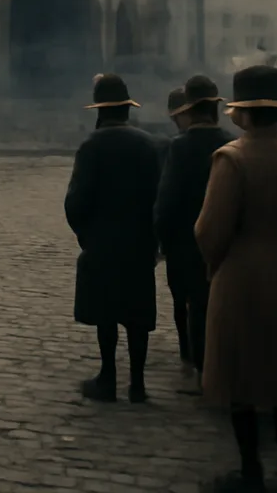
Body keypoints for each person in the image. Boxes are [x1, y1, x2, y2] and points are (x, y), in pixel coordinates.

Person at [195, 65, 277, 491]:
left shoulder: (231, 158)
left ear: (243, 112)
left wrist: (215, 264)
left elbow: (210, 229)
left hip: (241, 276)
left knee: (240, 378)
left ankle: (250, 470)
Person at [65, 73, 160, 404]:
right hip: (140, 243)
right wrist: (154, 239)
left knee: (106, 313)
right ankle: (138, 383)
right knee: (137, 315)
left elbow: (75, 202)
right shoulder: (148, 144)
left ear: (100, 111)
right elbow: (159, 197)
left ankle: (108, 377)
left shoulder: (92, 146)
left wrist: (86, 235)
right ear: (127, 109)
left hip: (103, 243)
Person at [154, 75, 227, 383]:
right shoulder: (229, 142)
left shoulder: (180, 147)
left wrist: (161, 239)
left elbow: (167, 199)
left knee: (188, 303)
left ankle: (196, 362)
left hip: (184, 241)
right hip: (222, 239)